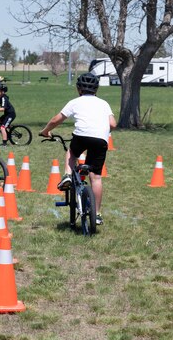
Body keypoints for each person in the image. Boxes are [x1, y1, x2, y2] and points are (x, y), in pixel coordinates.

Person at [39, 72, 116, 225]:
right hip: (101, 139)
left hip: (81, 137)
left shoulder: (75, 102)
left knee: (72, 153)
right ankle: (98, 213)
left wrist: (45, 131)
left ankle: (67, 175)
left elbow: (57, 119)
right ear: (96, 89)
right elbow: (113, 124)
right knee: (96, 177)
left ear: (79, 89)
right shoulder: (104, 103)